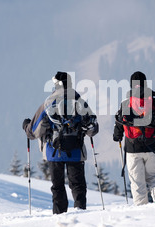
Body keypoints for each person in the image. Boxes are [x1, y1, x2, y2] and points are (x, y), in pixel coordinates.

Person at [23, 71, 99, 214]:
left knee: (57, 187)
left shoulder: (48, 103)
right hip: (76, 151)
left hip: (54, 152)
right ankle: (80, 213)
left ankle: (59, 215)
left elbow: (34, 132)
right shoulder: (80, 103)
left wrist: (26, 125)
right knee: (78, 186)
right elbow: (92, 129)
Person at [113, 71, 155, 205]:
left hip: (132, 148)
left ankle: (141, 209)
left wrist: (117, 136)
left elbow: (119, 123)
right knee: (154, 178)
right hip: (152, 147)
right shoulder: (154, 102)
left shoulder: (126, 103)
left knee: (137, 182)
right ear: (145, 83)